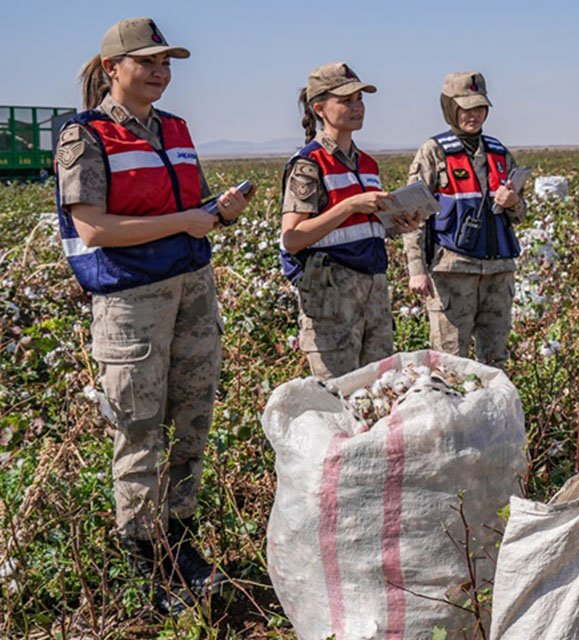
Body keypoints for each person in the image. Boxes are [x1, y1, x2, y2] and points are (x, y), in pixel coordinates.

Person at [54, 17, 252, 613]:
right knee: (139, 432)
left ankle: (181, 547)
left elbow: (190, 207)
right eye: (147, 63)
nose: (161, 72)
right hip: (131, 302)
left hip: (192, 288)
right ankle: (147, 565)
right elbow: (94, 227)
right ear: (113, 68)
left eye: (166, 63)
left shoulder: (177, 129)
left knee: (191, 423)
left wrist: (221, 211)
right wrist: (185, 222)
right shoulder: (84, 135)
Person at [279, 63, 421, 380]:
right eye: (346, 101)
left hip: (372, 292)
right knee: (339, 395)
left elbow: (364, 228)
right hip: (332, 296)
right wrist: (350, 205)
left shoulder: (367, 163)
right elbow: (292, 238)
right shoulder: (308, 163)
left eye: (359, 99)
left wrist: (398, 224)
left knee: (377, 389)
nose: (357, 107)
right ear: (320, 108)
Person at [402, 71, 525, 368]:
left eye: (480, 107)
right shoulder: (433, 152)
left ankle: (493, 416)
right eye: (466, 108)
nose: (474, 115)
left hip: (499, 271)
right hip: (452, 271)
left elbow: (520, 215)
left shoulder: (499, 152)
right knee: (449, 362)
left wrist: (513, 202)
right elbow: (412, 215)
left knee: (495, 361)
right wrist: (416, 269)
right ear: (450, 108)